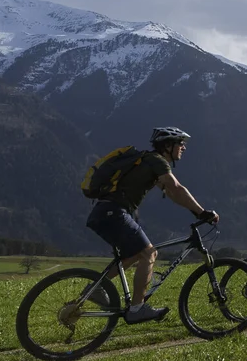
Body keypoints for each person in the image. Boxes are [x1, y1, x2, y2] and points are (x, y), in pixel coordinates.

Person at [86, 126, 218, 324]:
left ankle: (96, 288)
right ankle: (137, 309)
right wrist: (202, 212)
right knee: (149, 253)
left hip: (104, 213)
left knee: (134, 254)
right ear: (168, 145)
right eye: (181, 143)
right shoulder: (157, 161)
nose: (184, 147)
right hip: (114, 212)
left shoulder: (147, 161)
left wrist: (196, 211)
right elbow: (176, 187)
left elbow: (172, 192)